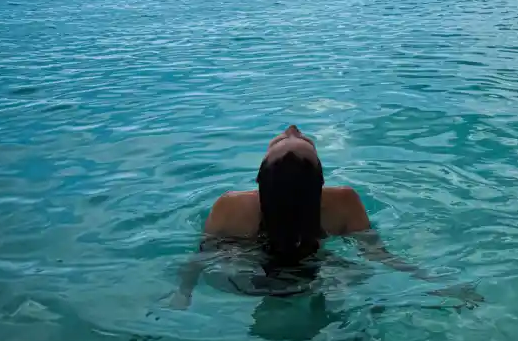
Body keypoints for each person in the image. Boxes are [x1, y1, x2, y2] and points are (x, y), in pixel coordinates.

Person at [168, 125, 481, 310]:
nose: (292, 129)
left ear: (260, 178)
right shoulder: (343, 203)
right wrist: (433, 280)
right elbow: (378, 254)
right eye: (290, 139)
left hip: (252, 277)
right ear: (320, 181)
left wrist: (182, 294)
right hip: (323, 272)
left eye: (285, 140)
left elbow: (201, 258)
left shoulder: (230, 208)